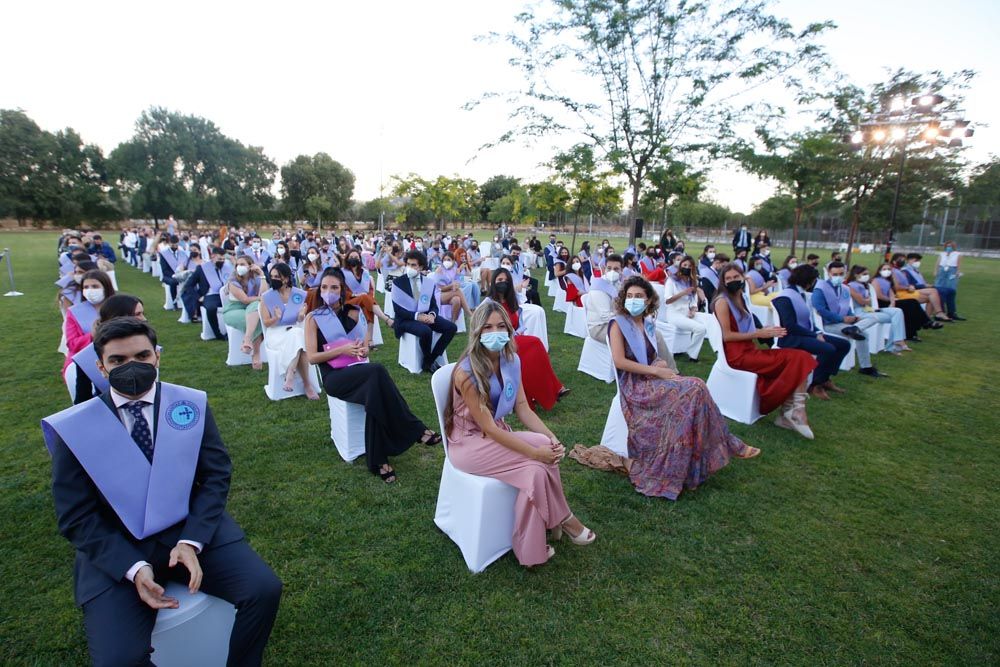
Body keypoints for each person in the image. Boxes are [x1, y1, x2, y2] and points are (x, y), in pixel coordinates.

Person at [42, 318, 282, 666]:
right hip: (118, 549)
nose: (132, 367)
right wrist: (134, 567)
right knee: (118, 660)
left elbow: (215, 475)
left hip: (189, 532)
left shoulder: (189, 404)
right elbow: (76, 516)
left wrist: (192, 540)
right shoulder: (76, 428)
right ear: (100, 367)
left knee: (263, 589)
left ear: (157, 357)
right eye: (117, 361)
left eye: (141, 355)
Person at [445, 301, 595, 566]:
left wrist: (551, 438)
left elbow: (523, 407)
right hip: (469, 444)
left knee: (539, 460)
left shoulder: (510, 360)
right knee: (537, 460)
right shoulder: (467, 372)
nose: (496, 332)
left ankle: (532, 546)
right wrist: (536, 452)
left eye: (501, 326)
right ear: (477, 332)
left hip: (495, 434)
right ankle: (564, 520)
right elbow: (488, 427)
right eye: (488, 327)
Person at [610, 276, 761, 499]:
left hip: (652, 377)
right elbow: (620, 362)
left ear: (648, 300)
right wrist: (656, 371)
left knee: (696, 390)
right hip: (635, 387)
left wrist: (658, 364)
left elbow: (652, 356)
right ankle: (727, 445)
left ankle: (694, 468)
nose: (633, 300)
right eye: (630, 296)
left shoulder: (647, 322)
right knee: (696, 388)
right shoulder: (618, 323)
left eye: (639, 296)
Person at [304, 268, 441, 483]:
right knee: (377, 371)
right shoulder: (314, 317)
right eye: (324, 287)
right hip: (335, 378)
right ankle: (415, 429)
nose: (328, 291)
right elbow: (312, 357)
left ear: (342, 290)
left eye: (334, 287)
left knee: (374, 394)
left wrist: (362, 350)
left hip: (358, 370)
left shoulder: (353, 311)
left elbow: (362, 346)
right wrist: (342, 350)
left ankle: (378, 460)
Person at [713, 265, 817, 435]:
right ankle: (794, 412)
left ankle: (791, 411)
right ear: (723, 282)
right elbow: (726, 336)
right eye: (728, 279)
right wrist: (758, 333)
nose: (733, 281)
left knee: (801, 357)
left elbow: (748, 329)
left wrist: (765, 331)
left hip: (750, 350)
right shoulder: (722, 301)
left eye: (736, 277)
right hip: (737, 356)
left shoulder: (741, 297)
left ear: (743, 277)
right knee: (799, 358)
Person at [487, 268, 569, 410]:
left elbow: (520, 324)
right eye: (500, 280)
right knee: (535, 343)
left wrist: (517, 333)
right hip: (497, 341)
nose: (503, 283)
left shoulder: (512, 302)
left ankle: (546, 391)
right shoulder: (489, 304)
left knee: (532, 351)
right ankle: (555, 388)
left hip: (513, 338)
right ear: (493, 282)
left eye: (506, 281)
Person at [769, 264, 850, 401]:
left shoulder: (802, 295)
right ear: (809, 281)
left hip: (806, 333)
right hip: (792, 337)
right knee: (828, 349)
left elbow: (809, 320)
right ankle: (815, 384)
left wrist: (817, 332)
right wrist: (814, 335)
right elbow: (789, 326)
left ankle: (824, 379)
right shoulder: (785, 297)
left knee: (844, 345)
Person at [813, 261, 888, 379]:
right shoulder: (820, 288)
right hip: (829, 324)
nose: (838, 277)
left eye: (841, 274)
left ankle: (855, 328)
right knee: (864, 334)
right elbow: (820, 310)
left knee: (874, 318)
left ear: (846, 273)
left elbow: (846, 307)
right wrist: (842, 318)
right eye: (835, 274)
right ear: (828, 273)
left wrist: (853, 317)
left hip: (846, 322)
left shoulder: (844, 288)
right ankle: (866, 367)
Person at [69, 294, 147, 405]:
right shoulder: (87, 358)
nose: (144, 319)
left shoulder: (146, 346)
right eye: (138, 314)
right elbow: (82, 401)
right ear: (120, 317)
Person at [391, 250, 457, 373]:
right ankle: (428, 360)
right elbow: (398, 310)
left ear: (421, 267)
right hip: (406, 319)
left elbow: (433, 305)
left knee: (451, 327)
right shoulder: (398, 283)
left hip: (426, 315)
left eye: (413, 265)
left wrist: (432, 315)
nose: (409, 267)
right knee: (425, 331)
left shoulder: (428, 282)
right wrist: (418, 316)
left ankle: (430, 359)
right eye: (408, 264)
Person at [260, 263, 318, 399]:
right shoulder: (267, 297)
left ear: (286, 279)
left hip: (294, 330)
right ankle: (307, 384)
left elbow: (300, 319)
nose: (273, 279)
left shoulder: (298, 294)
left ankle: (290, 374)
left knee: (297, 335)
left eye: (277, 276)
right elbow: (266, 323)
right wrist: (276, 318)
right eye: (272, 276)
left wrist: (302, 314)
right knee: (299, 339)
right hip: (276, 334)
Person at [845, 265, 910, 354]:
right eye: (864, 274)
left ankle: (897, 340)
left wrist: (868, 300)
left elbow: (868, 302)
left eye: (867, 274)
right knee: (895, 319)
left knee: (897, 311)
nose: (867, 276)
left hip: (870, 309)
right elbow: (862, 302)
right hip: (860, 311)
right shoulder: (851, 286)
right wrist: (868, 300)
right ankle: (893, 345)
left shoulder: (864, 285)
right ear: (856, 274)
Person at [662, 255, 712, 362]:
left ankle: (719, 347)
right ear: (680, 266)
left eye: (689, 266)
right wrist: (683, 293)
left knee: (710, 319)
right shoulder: (671, 280)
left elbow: (693, 301)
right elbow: (667, 300)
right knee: (700, 329)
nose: (687, 267)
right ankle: (692, 355)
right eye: (684, 265)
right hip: (674, 314)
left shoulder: (692, 282)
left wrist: (693, 310)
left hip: (687, 313)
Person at [64, 269, 116, 369]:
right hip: (85, 361)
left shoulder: (119, 306)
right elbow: (72, 344)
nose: (90, 290)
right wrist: (92, 336)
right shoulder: (74, 311)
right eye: (86, 287)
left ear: (106, 287)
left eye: (95, 286)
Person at [342, 248, 394, 345]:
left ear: (360, 259)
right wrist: (354, 294)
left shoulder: (364, 272)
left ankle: (369, 340)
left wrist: (366, 296)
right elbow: (342, 289)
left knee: (367, 305)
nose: (353, 259)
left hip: (364, 300)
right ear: (347, 258)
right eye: (351, 257)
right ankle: (386, 319)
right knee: (365, 299)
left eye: (356, 257)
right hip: (349, 301)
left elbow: (370, 289)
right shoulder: (343, 273)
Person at [873, 261, 935, 340]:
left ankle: (916, 329)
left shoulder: (888, 281)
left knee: (911, 304)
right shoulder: (876, 280)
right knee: (910, 304)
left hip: (890, 302)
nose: (887, 271)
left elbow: (891, 293)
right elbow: (878, 295)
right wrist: (891, 300)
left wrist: (893, 301)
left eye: (889, 269)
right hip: (881, 303)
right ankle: (925, 322)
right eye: (884, 269)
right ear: (879, 271)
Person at [223, 256, 266, 369]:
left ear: (250, 266)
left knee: (256, 309)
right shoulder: (233, 281)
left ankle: (247, 341)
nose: (239, 267)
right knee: (256, 320)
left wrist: (262, 274)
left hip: (251, 309)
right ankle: (256, 354)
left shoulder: (255, 278)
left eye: (242, 264)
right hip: (234, 310)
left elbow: (264, 294)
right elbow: (245, 300)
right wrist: (260, 298)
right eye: (237, 265)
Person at [188, 247, 233, 338]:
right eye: (219, 259)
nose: (222, 261)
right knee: (211, 308)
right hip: (211, 295)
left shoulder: (227, 267)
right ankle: (217, 334)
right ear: (213, 256)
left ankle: (232, 331)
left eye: (223, 259)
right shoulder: (202, 268)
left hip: (227, 293)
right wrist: (198, 297)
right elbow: (189, 285)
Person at [900, 252, 957, 322]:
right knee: (942, 291)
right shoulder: (905, 271)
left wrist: (927, 284)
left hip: (925, 287)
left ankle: (951, 312)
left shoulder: (916, 270)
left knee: (951, 291)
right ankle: (939, 313)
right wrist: (924, 285)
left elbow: (921, 281)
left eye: (919, 261)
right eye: (916, 260)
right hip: (918, 289)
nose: (918, 262)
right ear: (909, 260)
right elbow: (909, 285)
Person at [433, 251, 475, 323]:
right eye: (444, 260)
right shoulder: (439, 270)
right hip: (439, 294)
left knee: (457, 300)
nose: (446, 262)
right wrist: (452, 286)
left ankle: (453, 323)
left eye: (448, 260)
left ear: (453, 261)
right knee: (458, 292)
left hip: (451, 293)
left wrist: (457, 284)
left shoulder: (455, 269)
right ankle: (469, 313)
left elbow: (459, 281)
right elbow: (441, 289)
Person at [935, 241, 964, 320]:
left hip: (952, 270)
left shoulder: (958, 254)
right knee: (939, 290)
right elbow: (938, 263)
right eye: (947, 246)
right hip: (942, 270)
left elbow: (959, 264)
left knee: (951, 290)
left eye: (950, 246)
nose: (949, 247)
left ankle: (951, 312)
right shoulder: (942, 254)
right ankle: (941, 312)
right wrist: (936, 271)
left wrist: (958, 272)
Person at [159, 235, 189, 306]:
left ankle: (187, 302)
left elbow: (186, 265)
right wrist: (174, 276)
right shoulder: (164, 253)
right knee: (173, 283)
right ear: (169, 243)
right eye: (173, 244)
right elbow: (164, 270)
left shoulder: (182, 252)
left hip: (181, 274)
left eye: (176, 244)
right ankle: (174, 302)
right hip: (169, 275)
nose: (175, 246)